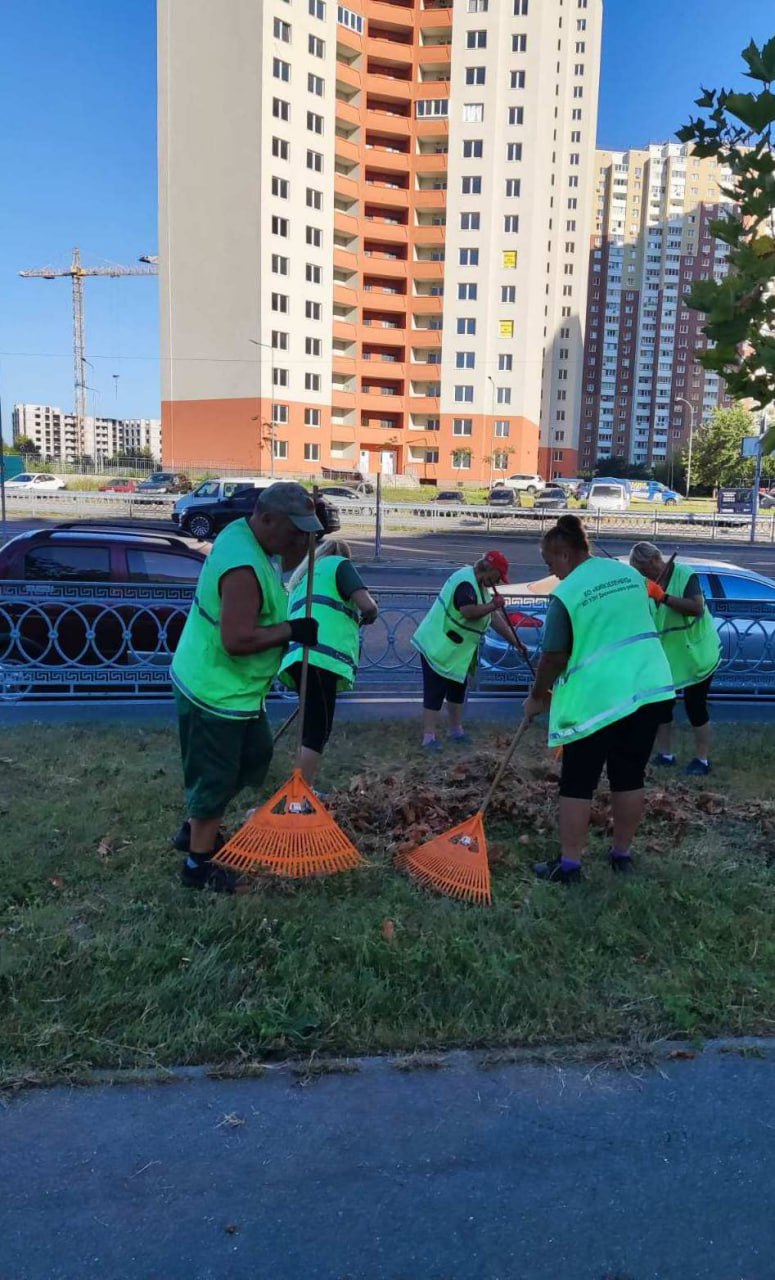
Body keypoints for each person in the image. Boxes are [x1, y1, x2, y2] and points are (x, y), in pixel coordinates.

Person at [170, 482, 322, 891]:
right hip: (213, 690)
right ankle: (198, 865)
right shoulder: (243, 569)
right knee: (215, 776)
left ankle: (196, 825)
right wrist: (292, 630)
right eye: (294, 531)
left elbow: (290, 555)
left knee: (255, 755)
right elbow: (236, 640)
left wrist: (308, 527)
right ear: (267, 518)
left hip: (237, 691)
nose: (299, 541)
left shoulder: (249, 535)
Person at [523, 515, 674, 884]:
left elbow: (554, 656)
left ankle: (570, 866)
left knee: (578, 782)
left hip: (600, 699)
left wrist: (537, 696)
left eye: (549, 562)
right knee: (629, 776)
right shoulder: (627, 573)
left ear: (564, 554)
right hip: (650, 686)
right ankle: (622, 855)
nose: (551, 572)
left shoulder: (568, 593)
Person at [278, 538, 379, 789]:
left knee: (311, 725)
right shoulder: (339, 564)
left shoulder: (304, 577)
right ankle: (301, 794)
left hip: (299, 656)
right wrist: (369, 615)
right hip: (322, 657)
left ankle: (302, 789)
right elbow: (368, 605)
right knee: (317, 730)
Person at [411, 550, 521, 749]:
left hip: (455, 651)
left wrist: (515, 642)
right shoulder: (466, 583)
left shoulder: (479, 586)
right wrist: (492, 605)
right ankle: (429, 737)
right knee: (435, 691)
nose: (498, 582)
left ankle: (456, 731)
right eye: (498, 577)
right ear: (490, 570)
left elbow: (493, 618)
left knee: (457, 690)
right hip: (438, 645)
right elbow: (468, 611)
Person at [629, 541, 721, 776]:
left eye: (644, 570)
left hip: (697, 654)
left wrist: (663, 597)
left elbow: (696, 608)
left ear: (654, 561)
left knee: (695, 706)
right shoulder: (647, 583)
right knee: (662, 707)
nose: (644, 576)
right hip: (669, 657)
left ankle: (702, 760)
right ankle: (665, 755)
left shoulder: (684, 575)